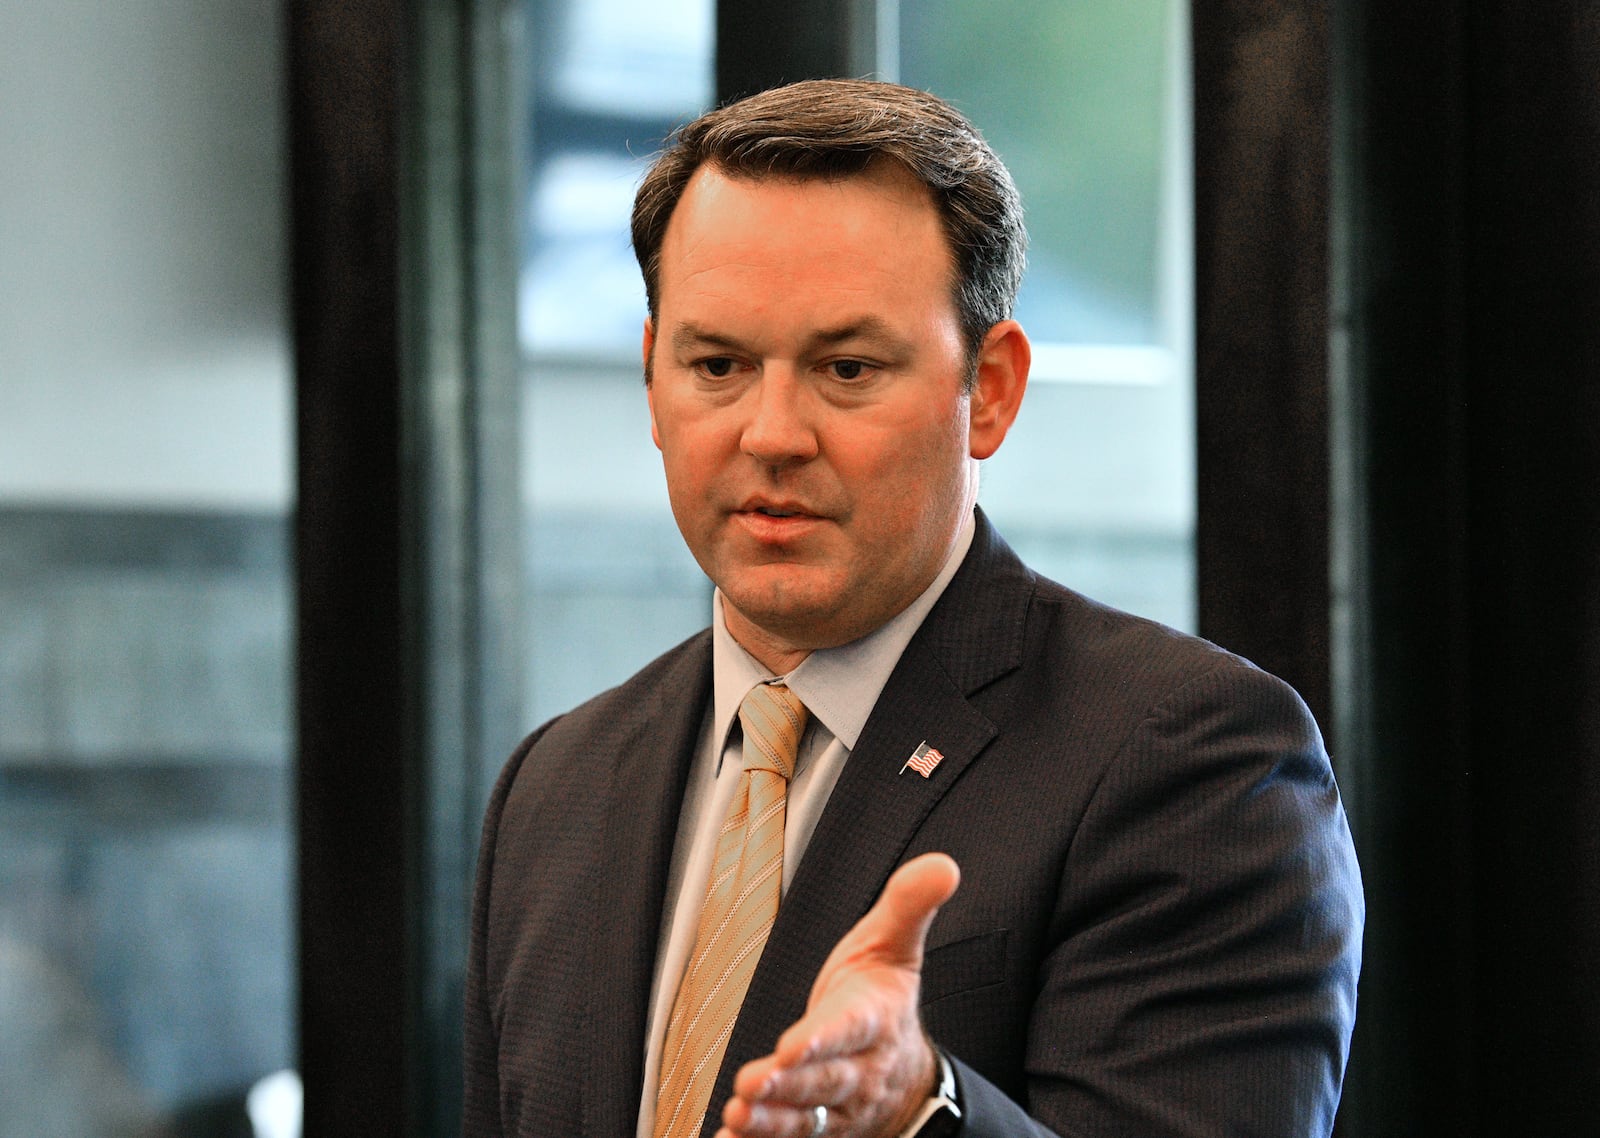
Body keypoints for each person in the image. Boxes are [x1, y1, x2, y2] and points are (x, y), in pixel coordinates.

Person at [462, 78, 1363, 1138]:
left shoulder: (1191, 760)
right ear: (654, 383)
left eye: (846, 368)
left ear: (988, 390)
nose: (771, 433)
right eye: (717, 365)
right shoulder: (554, 784)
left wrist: (918, 1111)